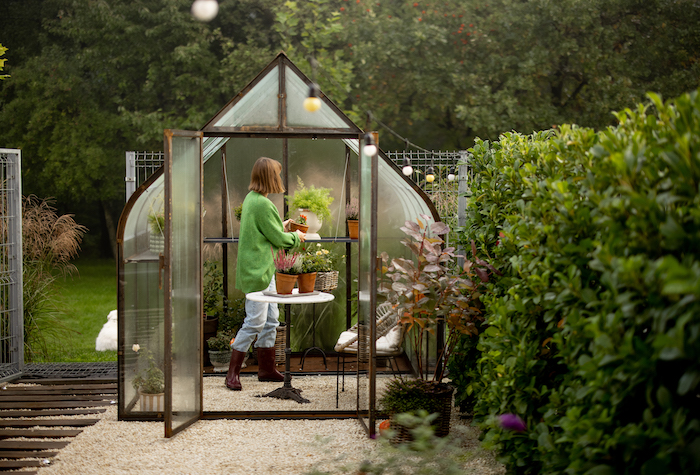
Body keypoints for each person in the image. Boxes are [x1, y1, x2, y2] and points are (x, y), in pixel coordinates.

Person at [225, 157, 306, 391]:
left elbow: (263, 231)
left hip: (263, 269)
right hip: (258, 272)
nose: (279, 179)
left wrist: (281, 224)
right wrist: (296, 237)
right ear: (270, 177)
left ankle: (266, 370)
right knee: (256, 321)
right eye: (277, 175)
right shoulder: (262, 203)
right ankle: (232, 373)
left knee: (271, 320)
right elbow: (278, 239)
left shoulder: (253, 200)